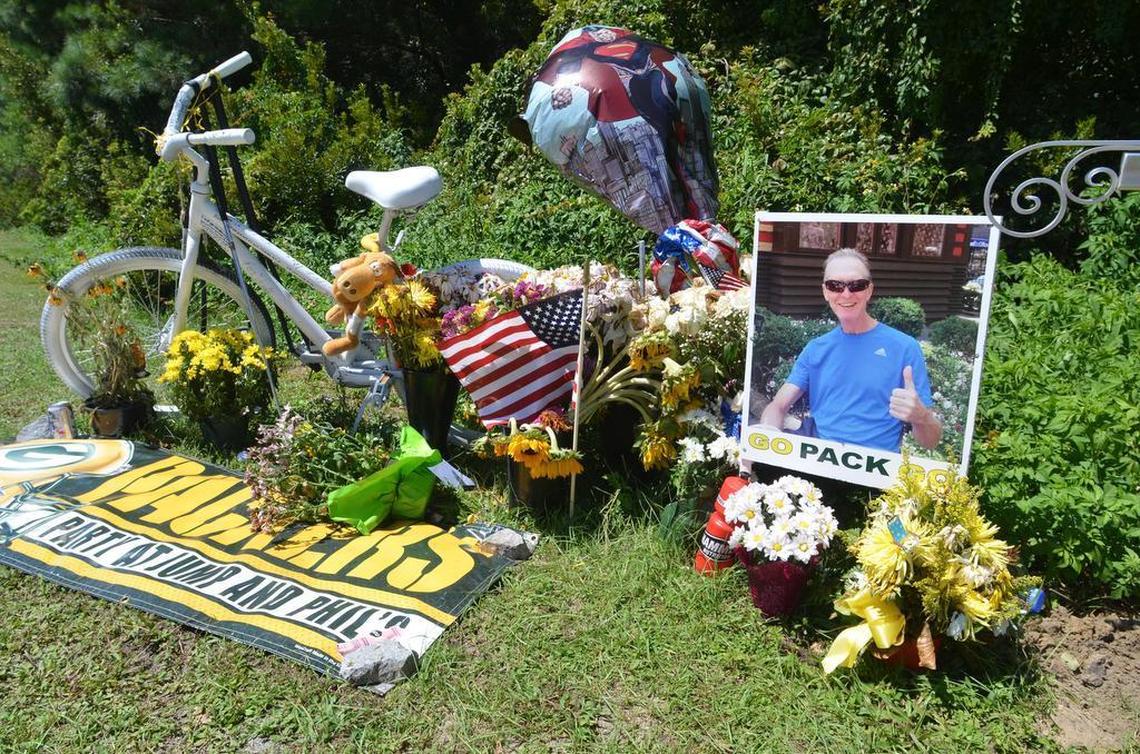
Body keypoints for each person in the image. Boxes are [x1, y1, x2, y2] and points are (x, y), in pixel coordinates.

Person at [760, 248, 942, 453]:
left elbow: (930, 442)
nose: (846, 294)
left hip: (874, 473)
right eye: (835, 285)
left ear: (869, 290)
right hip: (819, 464)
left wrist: (921, 417)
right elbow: (778, 406)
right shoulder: (816, 349)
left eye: (857, 285)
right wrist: (765, 435)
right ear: (825, 292)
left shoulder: (904, 347)